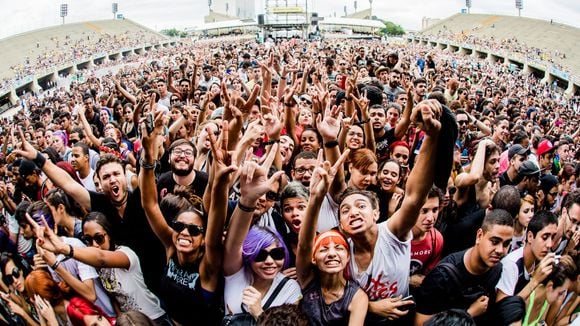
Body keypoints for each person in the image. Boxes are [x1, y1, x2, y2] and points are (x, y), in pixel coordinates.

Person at [338, 99, 444, 324]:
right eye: (345, 210)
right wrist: (371, 307)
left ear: (376, 214)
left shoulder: (393, 233)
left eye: (361, 206)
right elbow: (331, 294)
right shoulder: (339, 250)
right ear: (341, 225)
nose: (353, 212)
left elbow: (415, 197)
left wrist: (431, 137)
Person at [139, 115, 231, 325]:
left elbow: (216, 212)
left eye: (194, 230)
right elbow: (150, 205)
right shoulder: (172, 248)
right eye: (179, 226)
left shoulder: (208, 264)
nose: (185, 233)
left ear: (203, 237)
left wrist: (221, 181)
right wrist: (148, 157)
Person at [39, 212, 170, 325]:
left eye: (99, 238)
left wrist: (63, 249)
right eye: (88, 240)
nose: (94, 245)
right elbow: (114, 296)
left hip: (154, 318)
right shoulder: (95, 266)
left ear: (109, 235)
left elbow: (101, 258)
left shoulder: (125, 254)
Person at [223, 144, 302, 320]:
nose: (269, 261)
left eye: (277, 254)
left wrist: (259, 313)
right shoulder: (236, 273)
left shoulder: (290, 289)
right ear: (248, 255)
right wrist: (248, 200)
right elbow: (233, 245)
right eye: (260, 255)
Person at [297, 157, 368, 325]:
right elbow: (305, 244)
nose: (331, 253)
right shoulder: (307, 280)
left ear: (348, 256)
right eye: (323, 249)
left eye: (338, 248)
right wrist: (315, 198)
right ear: (313, 259)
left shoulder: (357, 297)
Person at [414, 209, 515, 325]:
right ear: (479, 235)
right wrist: (469, 314)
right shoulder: (442, 276)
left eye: (506, 244)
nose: (500, 250)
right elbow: (420, 323)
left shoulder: (496, 269)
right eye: (495, 241)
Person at [496, 211, 559, 302]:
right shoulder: (512, 265)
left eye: (553, 237)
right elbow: (503, 309)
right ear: (530, 236)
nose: (549, 244)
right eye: (545, 237)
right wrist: (535, 281)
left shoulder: (539, 260)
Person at [409, 187, 445, 290]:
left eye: (435, 210)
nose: (430, 218)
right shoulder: (395, 236)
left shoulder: (437, 239)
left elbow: (427, 277)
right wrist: (408, 280)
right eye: (424, 211)